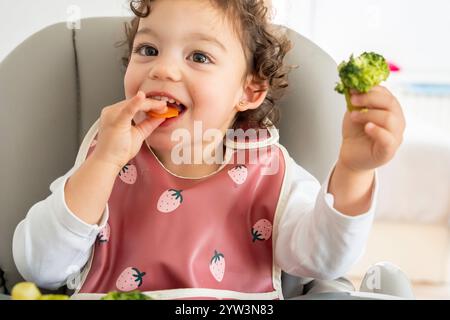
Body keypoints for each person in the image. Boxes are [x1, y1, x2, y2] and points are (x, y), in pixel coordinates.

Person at [12, 0, 405, 300]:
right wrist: (104, 163)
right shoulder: (106, 159)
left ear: (248, 91)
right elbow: (40, 268)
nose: (162, 70)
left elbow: (320, 261)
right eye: (148, 50)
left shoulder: (267, 173)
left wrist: (354, 171)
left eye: (199, 57)